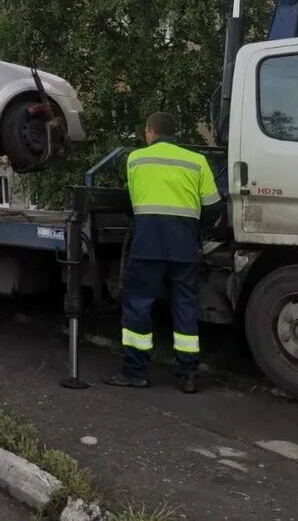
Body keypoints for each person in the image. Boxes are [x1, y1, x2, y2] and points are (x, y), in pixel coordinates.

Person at [105, 111, 220, 393]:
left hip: (147, 246)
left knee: (138, 307)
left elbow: (134, 203)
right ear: (175, 133)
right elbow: (215, 207)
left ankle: (136, 373)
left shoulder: (136, 159)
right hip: (184, 247)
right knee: (185, 307)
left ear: (150, 133)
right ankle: (188, 375)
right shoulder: (197, 162)